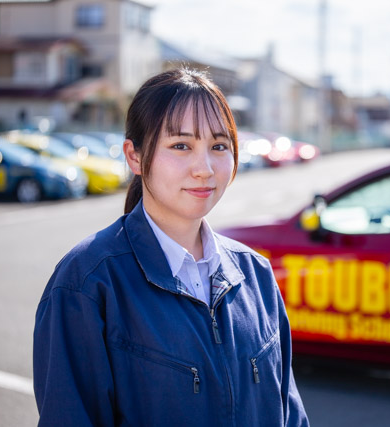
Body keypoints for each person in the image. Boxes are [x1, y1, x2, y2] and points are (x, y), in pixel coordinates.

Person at [33, 68, 309, 426]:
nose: (204, 168)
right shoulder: (87, 283)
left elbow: (291, 415)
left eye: (219, 146)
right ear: (134, 156)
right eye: (181, 146)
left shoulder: (255, 275)